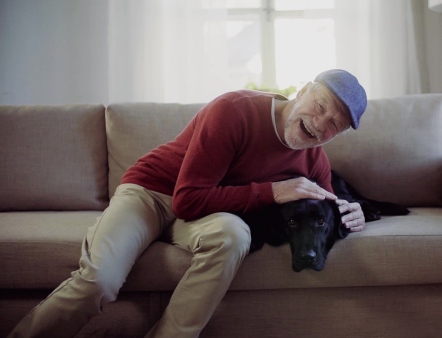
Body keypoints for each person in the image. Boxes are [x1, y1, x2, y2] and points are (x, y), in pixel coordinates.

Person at [8, 69, 368, 338]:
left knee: (234, 235)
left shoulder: (313, 159)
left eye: (334, 124)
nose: (319, 124)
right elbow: (187, 199)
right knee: (100, 280)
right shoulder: (235, 110)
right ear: (303, 89)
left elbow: (322, 207)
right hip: (152, 193)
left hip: (205, 214)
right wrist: (272, 192)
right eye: (320, 106)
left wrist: (350, 211)